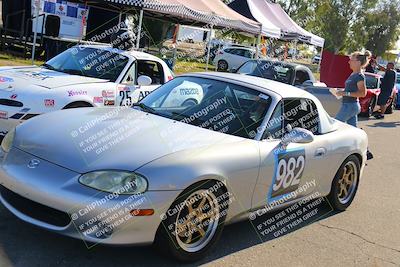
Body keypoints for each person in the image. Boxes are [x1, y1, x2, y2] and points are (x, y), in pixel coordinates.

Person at [335, 51, 371, 127]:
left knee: (335, 125)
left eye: (351, 60)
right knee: (353, 129)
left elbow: (363, 93)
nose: (349, 62)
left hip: (350, 106)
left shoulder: (359, 76)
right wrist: (342, 91)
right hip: (349, 105)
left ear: (358, 62)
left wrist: (345, 93)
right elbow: (351, 90)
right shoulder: (353, 74)